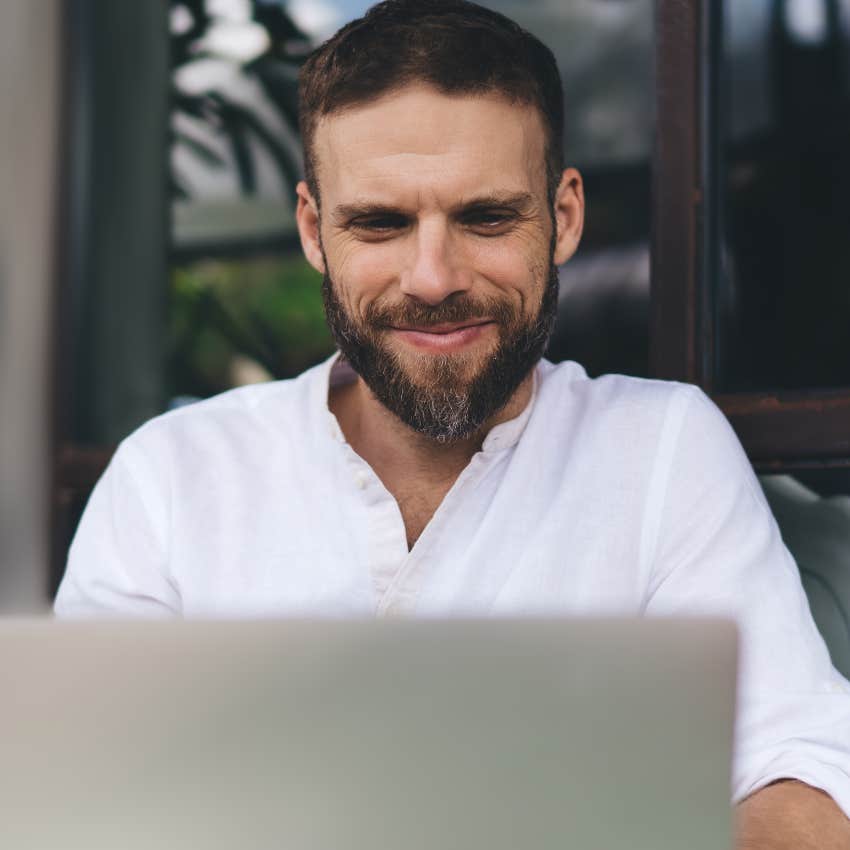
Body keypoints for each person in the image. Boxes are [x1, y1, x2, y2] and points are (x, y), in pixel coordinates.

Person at [55, 0, 850, 844]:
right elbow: (83, 804)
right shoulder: (171, 477)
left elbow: (794, 781)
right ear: (313, 231)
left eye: (486, 217)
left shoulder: (659, 450)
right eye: (381, 223)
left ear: (565, 217)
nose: (432, 277)